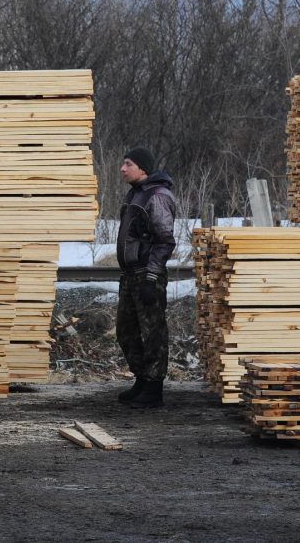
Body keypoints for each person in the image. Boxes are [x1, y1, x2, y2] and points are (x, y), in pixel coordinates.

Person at [115, 147, 176, 408]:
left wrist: (152, 277)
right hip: (130, 274)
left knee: (153, 332)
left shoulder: (158, 196)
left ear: (143, 168)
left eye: (128, 164)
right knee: (126, 330)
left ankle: (153, 387)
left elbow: (165, 241)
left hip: (146, 275)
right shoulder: (135, 194)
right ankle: (141, 378)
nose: (122, 168)